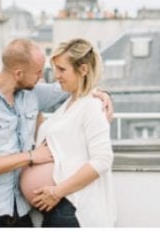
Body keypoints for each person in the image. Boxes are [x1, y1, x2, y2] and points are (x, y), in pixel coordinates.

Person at [0, 38, 113, 227]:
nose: (43, 78)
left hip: (20, 212)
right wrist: (31, 157)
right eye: (38, 73)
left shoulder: (32, 93)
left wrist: (103, 95)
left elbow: (77, 85)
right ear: (19, 73)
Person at [21, 38, 116, 227]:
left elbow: (103, 160)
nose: (56, 76)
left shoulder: (92, 106)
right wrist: (32, 103)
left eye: (62, 69)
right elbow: (46, 134)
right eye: (55, 69)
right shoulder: (69, 104)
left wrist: (57, 192)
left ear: (83, 70)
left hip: (72, 207)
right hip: (59, 208)